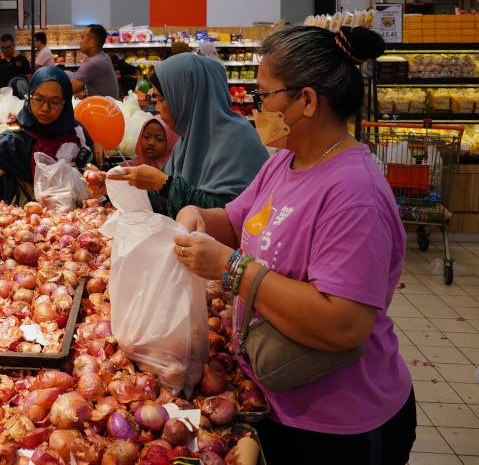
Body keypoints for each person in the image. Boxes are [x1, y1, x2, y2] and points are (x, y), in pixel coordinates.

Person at [172, 26, 414, 464]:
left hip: (339, 424)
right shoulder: (284, 161)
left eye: (264, 95)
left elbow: (344, 324)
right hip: (278, 397)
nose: (258, 107)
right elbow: (234, 219)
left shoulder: (353, 192)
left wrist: (232, 269)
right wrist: (197, 219)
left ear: (306, 100)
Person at [106, 53, 267, 217]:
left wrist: (164, 184)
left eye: (161, 99)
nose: (158, 109)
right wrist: (118, 185)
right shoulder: (187, 139)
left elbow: (230, 215)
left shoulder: (238, 140)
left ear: (185, 97)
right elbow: (166, 198)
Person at [0, 67, 92, 204]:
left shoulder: (77, 134)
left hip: (74, 219)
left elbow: (93, 174)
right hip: (25, 218)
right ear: (29, 97)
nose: (45, 108)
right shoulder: (17, 135)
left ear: (65, 103)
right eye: (38, 99)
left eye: (54, 102)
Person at [70, 24, 118, 99]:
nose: (80, 42)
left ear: (91, 42)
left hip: (101, 108)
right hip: (110, 105)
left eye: (82, 38)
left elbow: (70, 89)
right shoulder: (104, 56)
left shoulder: (92, 63)